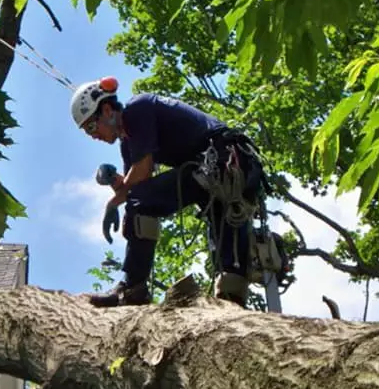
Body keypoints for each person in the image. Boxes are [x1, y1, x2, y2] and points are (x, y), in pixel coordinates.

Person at [70, 77, 266, 308]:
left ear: (106, 109)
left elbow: (141, 177)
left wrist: (113, 204)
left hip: (222, 160)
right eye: (87, 133)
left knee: (146, 203)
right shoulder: (128, 143)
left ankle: (134, 288)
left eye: (92, 127)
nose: (94, 136)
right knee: (223, 240)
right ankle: (230, 302)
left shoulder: (137, 109)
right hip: (213, 169)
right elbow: (137, 185)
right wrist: (115, 183)